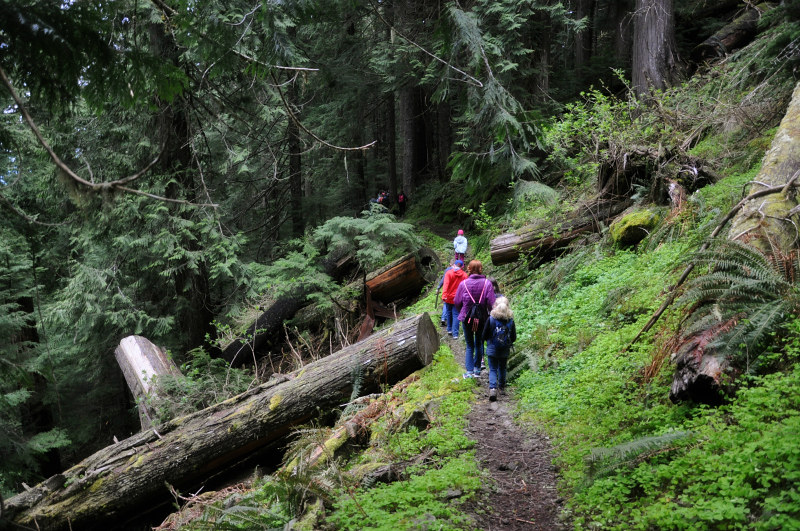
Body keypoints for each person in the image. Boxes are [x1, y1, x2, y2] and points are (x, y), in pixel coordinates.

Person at [454, 260, 496, 379]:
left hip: (467, 318)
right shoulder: (487, 284)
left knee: (469, 345)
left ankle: (469, 372)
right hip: (481, 319)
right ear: (481, 269)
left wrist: (463, 311)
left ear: (469, 269)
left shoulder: (463, 284)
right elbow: (491, 303)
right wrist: (486, 312)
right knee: (479, 343)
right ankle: (477, 370)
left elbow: (457, 302)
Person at [483, 296, 517, 401]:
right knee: (502, 368)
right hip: (504, 349)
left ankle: (493, 388)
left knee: (493, 369)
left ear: (495, 306)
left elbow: (484, 335)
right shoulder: (510, 320)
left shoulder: (491, 319)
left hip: (492, 348)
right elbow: (514, 337)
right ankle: (501, 387)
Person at [442, 259, 468, 339]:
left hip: (449, 297)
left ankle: (449, 329)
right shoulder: (464, 275)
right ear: (462, 266)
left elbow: (446, 284)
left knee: (449, 312)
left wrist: (444, 295)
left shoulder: (449, 273)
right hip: (458, 298)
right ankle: (455, 334)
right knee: (456, 314)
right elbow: (465, 288)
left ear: (454, 265)